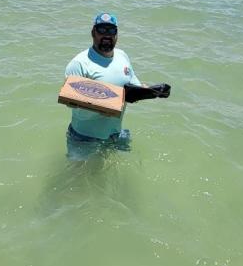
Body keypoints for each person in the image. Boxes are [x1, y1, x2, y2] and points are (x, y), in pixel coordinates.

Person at [63, 13, 169, 160]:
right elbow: (73, 104)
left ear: (117, 34)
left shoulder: (122, 56)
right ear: (93, 32)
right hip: (84, 138)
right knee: (79, 179)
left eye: (111, 30)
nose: (107, 34)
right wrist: (103, 107)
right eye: (102, 30)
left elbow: (132, 83)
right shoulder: (79, 64)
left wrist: (149, 91)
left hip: (115, 134)